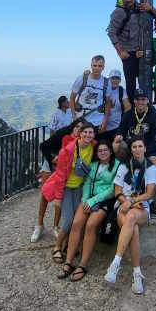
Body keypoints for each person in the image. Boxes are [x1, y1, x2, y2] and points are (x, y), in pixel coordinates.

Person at [57, 140, 120, 280]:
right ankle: (68, 261)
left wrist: (93, 201)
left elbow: (112, 189)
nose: (103, 152)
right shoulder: (93, 165)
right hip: (88, 199)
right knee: (76, 224)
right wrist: (85, 199)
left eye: (105, 150)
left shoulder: (117, 166)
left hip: (104, 201)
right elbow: (87, 183)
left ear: (111, 151)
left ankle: (83, 264)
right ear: (97, 153)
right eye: (100, 150)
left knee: (91, 225)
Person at [104, 136, 156, 295]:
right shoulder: (123, 166)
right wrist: (127, 202)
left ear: (145, 148)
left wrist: (132, 201)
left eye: (140, 146)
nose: (137, 149)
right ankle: (137, 274)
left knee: (131, 217)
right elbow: (117, 191)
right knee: (132, 229)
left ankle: (115, 263)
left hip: (142, 206)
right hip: (123, 205)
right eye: (134, 147)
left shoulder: (151, 168)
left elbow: (148, 193)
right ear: (131, 149)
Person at [50, 122, 97, 263]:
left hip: (80, 187)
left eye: (91, 132)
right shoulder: (68, 150)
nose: (88, 135)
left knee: (77, 220)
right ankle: (57, 246)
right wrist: (58, 197)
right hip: (66, 188)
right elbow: (59, 175)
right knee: (69, 220)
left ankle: (67, 246)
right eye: (85, 132)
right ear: (79, 133)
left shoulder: (93, 146)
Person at [106, 0, 156, 101]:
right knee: (131, 82)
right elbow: (111, 33)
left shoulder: (141, 7)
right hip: (128, 52)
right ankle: (131, 107)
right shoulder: (118, 12)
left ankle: (146, 104)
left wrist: (151, 8)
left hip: (142, 49)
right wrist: (120, 52)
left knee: (147, 77)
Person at [33, 119, 83, 242]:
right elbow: (43, 146)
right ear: (73, 127)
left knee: (60, 195)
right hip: (51, 163)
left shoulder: (82, 141)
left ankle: (56, 226)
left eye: (82, 129)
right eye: (77, 127)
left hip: (64, 169)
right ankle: (39, 225)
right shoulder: (63, 134)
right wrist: (52, 159)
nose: (79, 130)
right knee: (45, 193)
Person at [118, 90, 156, 168]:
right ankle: (119, 170)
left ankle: (155, 180)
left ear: (147, 100)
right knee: (116, 144)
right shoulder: (128, 114)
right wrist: (119, 135)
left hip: (148, 147)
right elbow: (121, 130)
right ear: (134, 100)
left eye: (143, 99)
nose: (140, 102)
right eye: (137, 99)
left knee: (154, 160)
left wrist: (144, 150)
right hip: (132, 146)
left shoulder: (155, 115)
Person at [70, 56, 110, 135]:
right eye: (94, 65)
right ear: (91, 66)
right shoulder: (82, 79)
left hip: (97, 121)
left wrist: (104, 122)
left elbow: (108, 103)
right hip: (81, 119)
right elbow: (72, 98)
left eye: (100, 66)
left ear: (103, 67)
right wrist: (74, 117)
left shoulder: (106, 82)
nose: (97, 68)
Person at [98, 68, 130, 144]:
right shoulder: (102, 89)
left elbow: (128, 107)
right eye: (113, 78)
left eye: (117, 78)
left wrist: (123, 123)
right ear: (109, 79)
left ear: (120, 80)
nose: (115, 80)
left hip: (116, 127)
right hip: (101, 126)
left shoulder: (121, 90)